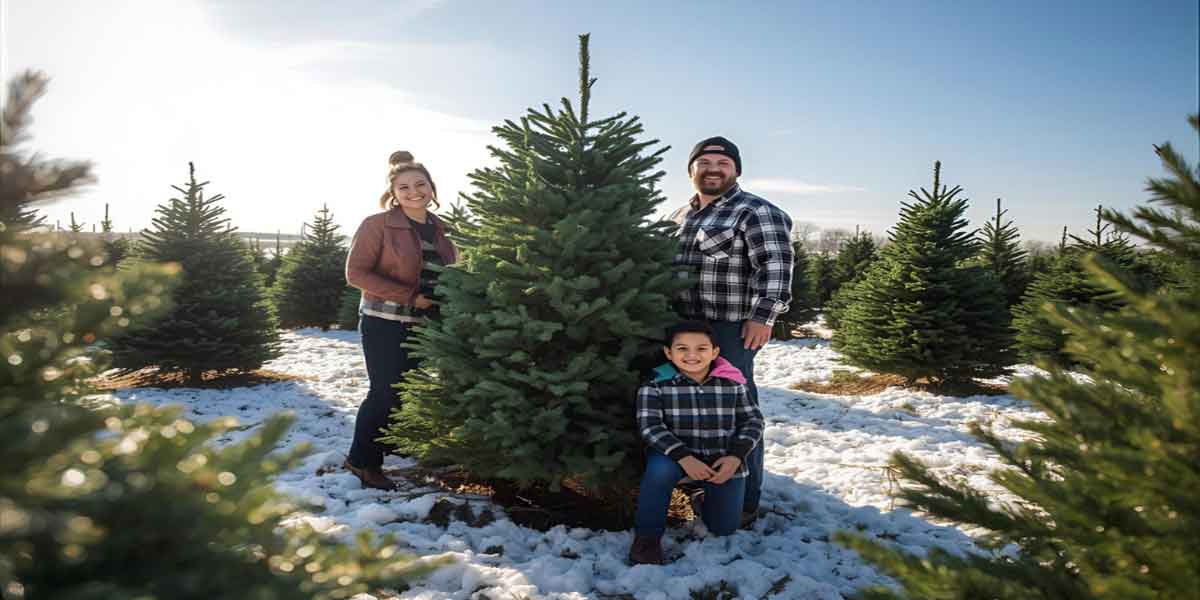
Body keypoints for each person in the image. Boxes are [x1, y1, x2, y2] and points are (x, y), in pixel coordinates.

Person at [669, 136, 793, 527]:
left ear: (736, 170)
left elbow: (775, 265)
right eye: (704, 162)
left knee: (735, 411)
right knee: (689, 410)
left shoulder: (755, 211)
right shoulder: (678, 216)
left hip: (730, 330)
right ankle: (700, 482)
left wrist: (764, 316)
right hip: (681, 329)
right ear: (691, 170)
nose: (713, 168)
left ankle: (743, 502)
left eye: (723, 163)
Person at [343, 151, 458, 490]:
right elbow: (355, 273)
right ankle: (361, 461)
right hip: (385, 321)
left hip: (427, 323)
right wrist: (410, 296)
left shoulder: (442, 228)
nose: (413, 192)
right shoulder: (376, 225)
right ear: (393, 192)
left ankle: (392, 442)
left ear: (432, 188)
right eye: (404, 186)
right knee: (385, 392)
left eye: (420, 184)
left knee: (410, 392)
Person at [629, 320, 764, 565]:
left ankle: (702, 497)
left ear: (714, 352)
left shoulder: (733, 384)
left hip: (722, 457)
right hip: (674, 456)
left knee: (724, 527)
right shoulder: (655, 386)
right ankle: (646, 539)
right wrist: (683, 457)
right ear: (669, 353)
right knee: (658, 472)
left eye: (701, 349)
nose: (692, 355)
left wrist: (735, 457)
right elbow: (650, 427)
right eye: (682, 349)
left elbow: (753, 421)